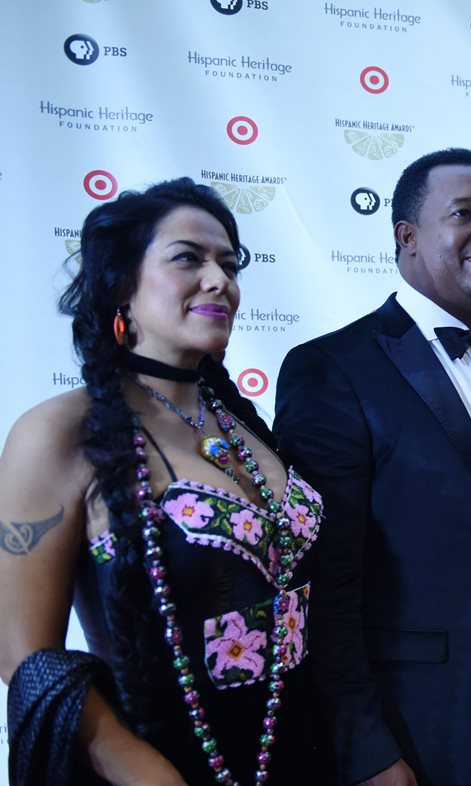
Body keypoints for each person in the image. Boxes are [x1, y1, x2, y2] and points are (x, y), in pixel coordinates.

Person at [0, 178, 326, 785]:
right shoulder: (59, 433)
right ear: (121, 286)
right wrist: (145, 774)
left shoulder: (243, 423)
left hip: (304, 757)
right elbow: (25, 655)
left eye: (229, 265)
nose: (219, 280)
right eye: (188, 259)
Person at [273, 148, 471, 786]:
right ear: (406, 237)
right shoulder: (331, 368)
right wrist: (364, 748)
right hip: (405, 732)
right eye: (464, 214)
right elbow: (323, 581)